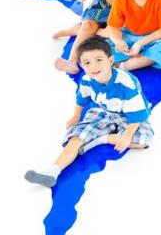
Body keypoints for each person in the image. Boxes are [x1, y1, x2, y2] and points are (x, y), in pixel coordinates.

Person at [24, 37, 153, 188]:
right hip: (103, 111)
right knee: (76, 137)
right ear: (81, 65)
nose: (94, 67)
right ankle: (52, 172)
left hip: (129, 115)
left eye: (99, 60)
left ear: (110, 60)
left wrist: (127, 136)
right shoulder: (87, 79)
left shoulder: (125, 83)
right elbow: (81, 98)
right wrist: (75, 116)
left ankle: (100, 139)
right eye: (87, 63)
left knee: (143, 140)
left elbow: (137, 114)